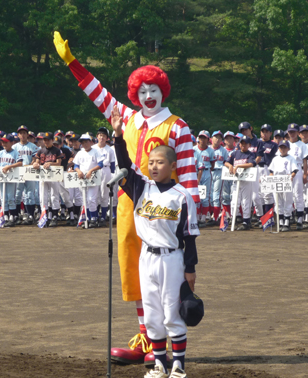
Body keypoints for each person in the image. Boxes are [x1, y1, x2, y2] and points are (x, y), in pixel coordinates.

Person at [54, 31, 199, 364]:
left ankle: (165, 340)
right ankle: (147, 338)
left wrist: (189, 226)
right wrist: (72, 63)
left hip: (166, 212)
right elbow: (97, 93)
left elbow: (189, 178)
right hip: (129, 205)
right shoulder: (127, 117)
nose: (149, 96)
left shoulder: (179, 127)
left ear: (163, 92)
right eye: (143, 91)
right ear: (136, 94)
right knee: (135, 271)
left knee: (168, 274)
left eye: (155, 90)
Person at [112, 106, 199, 378]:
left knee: (173, 313)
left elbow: (189, 237)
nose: (154, 166)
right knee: (152, 315)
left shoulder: (181, 196)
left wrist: (190, 268)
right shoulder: (141, 188)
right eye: (151, 162)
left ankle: (179, 367)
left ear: (172, 166)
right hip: (146, 259)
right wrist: (118, 137)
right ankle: (159, 364)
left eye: (160, 162)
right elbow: (126, 164)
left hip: (172, 258)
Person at [224, 135, 256, 230]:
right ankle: (234, 219)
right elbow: (226, 162)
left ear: (249, 145)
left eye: (245, 144)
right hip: (236, 180)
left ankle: (246, 221)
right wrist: (230, 165)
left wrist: (238, 166)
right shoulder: (235, 153)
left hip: (246, 180)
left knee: (246, 201)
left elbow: (252, 164)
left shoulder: (250, 154)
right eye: (242, 143)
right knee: (234, 201)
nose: (243, 145)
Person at [0, 134, 24, 227]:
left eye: (6, 142)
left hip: (11, 178)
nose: (4, 143)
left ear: (11, 142)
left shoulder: (15, 152)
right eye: (3, 142)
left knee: (10, 198)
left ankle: (12, 217)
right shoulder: (1, 152)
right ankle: (5, 217)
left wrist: (10, 166)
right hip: (2, 178)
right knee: (3, 198)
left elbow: (20, 163)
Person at [32, 131, 63, 227]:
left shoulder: (57, 150)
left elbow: (59, 163)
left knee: (54, 196)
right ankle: (44, 216)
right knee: (43, 197)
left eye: (48, 140)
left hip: (54, 175)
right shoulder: (41, 151)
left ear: (52, 140)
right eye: (44, 140)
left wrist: (50, 163)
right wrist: (35, 164)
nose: (46, 142)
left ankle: (54, 217)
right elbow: (37, 162)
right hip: (43, 176)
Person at [73, 133, 104, 228]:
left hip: (93, 177)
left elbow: (101, 164)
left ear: (90, 142)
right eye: (83, 142)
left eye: (86, 142)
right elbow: (75, 165)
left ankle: (93, 218)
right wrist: (78, 171)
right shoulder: (80, 152)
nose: (85, 144)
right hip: (82, 178)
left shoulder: (96, 151)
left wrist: (91, 170)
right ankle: (86, 218)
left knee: (92, 199)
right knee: (84, 199)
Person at [268, 141, 298, 231]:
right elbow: (271, 171)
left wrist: (291, 176)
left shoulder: (291, 158)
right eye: (281, 147)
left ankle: (287, 222)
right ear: (279, 148)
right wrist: (271, 178)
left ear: (288, 149)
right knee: (278, 202)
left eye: (285, 147)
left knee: (287, 201)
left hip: (286, 180)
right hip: (277, 181)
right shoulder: (275, 159)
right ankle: (280, 222)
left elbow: (295, 170)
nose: (283, 149)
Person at [13, 125, 39, 225]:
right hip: (18, 172)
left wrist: (34, 162)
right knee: (17, 194)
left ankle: (30, 215)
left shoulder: (32, 146)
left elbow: (36, 158)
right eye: (21, 133)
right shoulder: (15, 147)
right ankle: (17, 215)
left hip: (29, 171)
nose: (23, 135)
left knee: (29, 194)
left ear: (27, 134)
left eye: (24, 133)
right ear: (18, 135)